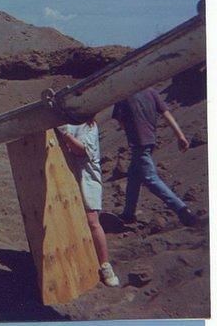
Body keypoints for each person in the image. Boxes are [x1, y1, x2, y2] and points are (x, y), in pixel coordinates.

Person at [111, 87, 197, 226]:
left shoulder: (123, 94)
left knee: (151, 179)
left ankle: (182, 209)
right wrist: (180, 136)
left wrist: (131, 131)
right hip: (150, 139)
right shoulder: (151, 91)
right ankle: (128, 214)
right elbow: (166, 113)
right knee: (134, 176)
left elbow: (120, 120)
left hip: (138, 142)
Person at [56, 120, 120, 287]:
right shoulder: (62, 121)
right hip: (66, 173)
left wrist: (66, 134)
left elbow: (81, 151)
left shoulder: (89, 124)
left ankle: (105, 266)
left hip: (87, 176)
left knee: (92, 221)